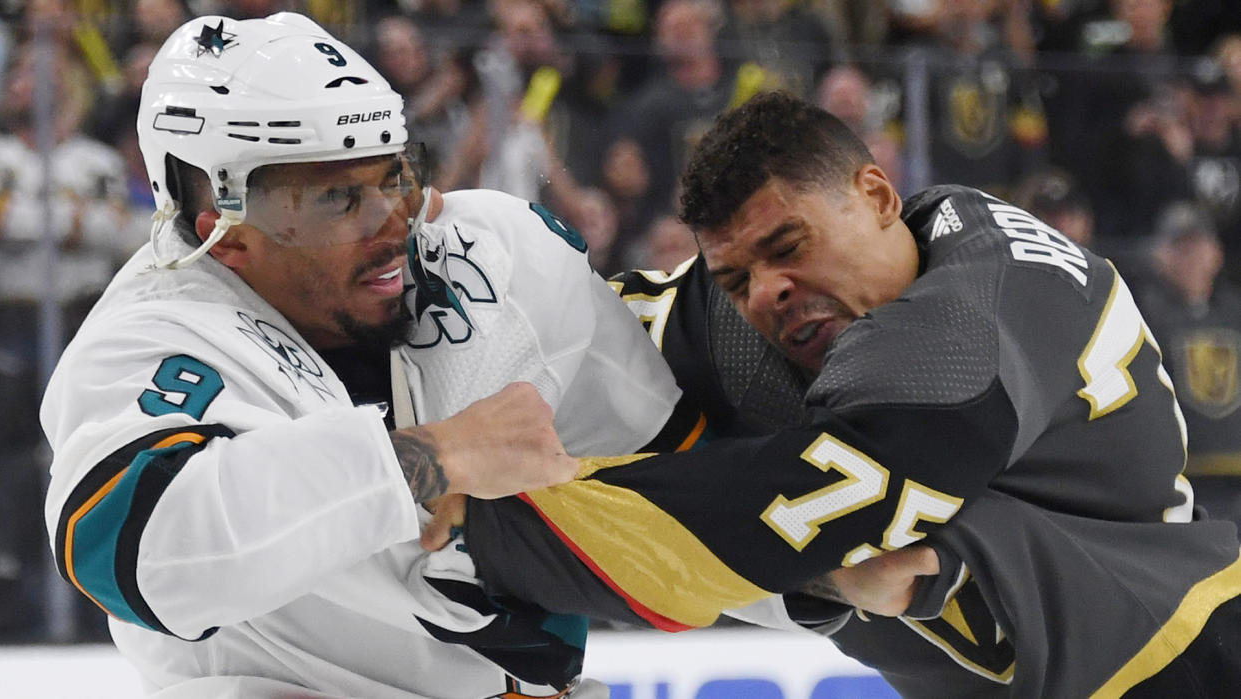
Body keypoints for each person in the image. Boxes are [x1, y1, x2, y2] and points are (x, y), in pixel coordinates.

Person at [456, 92, 1241, 697]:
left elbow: (757, 522)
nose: (770, 292)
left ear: (877, 194)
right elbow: (643, 318)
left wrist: (466, 515)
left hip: (1183, 659)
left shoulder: (955, 342)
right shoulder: (871, 268)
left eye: (787, 248)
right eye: (738, 276)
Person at [40, 13, 691, 698]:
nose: (390, 223)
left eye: (392, 178)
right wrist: (433, 457)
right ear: (226, 231)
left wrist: (799, 573)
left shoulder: (465, 261)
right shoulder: (150, 330)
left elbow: (668, 465)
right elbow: (138, 549)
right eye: (336, 197)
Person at [1136, 201, 1241, 528]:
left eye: (1198, 247)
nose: (1191, 259)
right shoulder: (1141, 315)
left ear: (1217, 253)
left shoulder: (1235, 312)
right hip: (1180, 480)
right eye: (1180, 248)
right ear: (1159, 256)